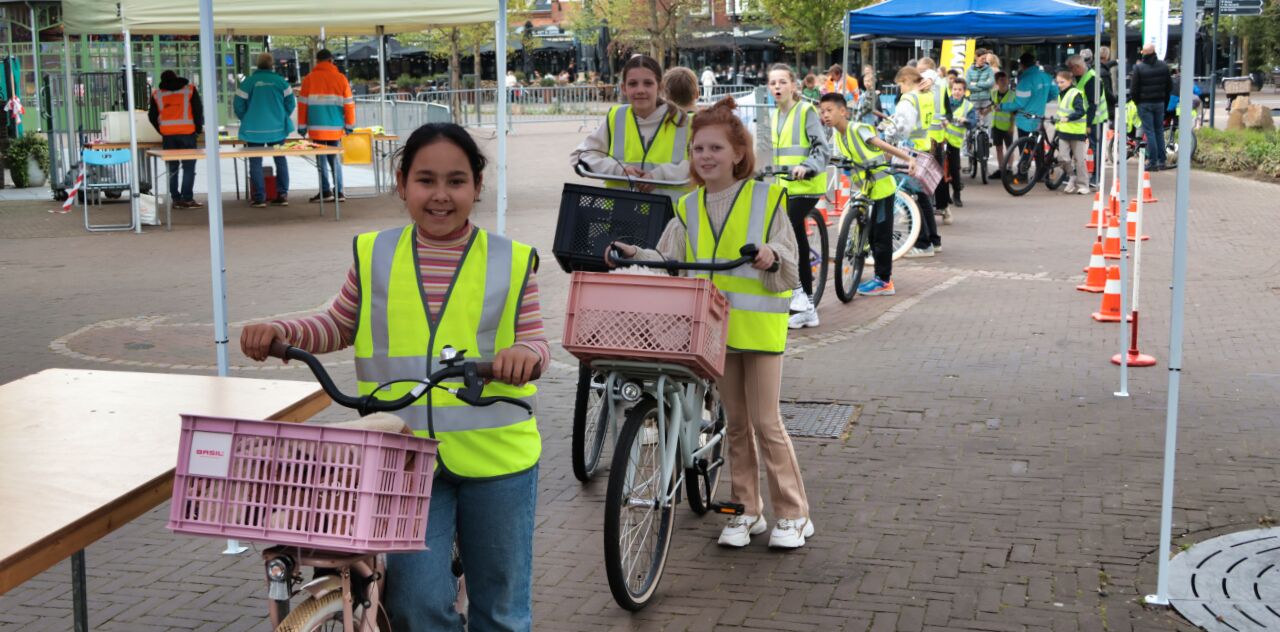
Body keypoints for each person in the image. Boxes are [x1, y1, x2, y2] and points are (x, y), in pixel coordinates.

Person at [240, 123, 545, 632]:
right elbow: (338, 323)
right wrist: (281, 331)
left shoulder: (510, 260)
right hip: (405, 459)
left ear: (477, 186)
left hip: (498, 458)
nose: (441, 195)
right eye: (426, 180)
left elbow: (536, 341)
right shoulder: (376, 253)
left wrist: (524, 355)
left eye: (456, 181)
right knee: (413, 605)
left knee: (500, 610)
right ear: (402, 184)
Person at [611, 96, 814, 549]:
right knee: (736, 425)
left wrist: (771, 256)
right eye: (698, 148)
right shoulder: (687, 207)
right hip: (714, 333)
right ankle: (745, 511)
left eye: (716, 148)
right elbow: (670, 260)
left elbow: (790, 265)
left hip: (758, 332)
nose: (705, 156)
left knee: (766, 423)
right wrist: (637, 254)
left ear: (738, 153)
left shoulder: (767, 197)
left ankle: (794, 514)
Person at [818, 92, 916, 296]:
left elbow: (881, 145)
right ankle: (867, 265)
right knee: (870, 233)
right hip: (866, 189)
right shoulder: (838, 135)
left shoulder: (857, 128)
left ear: (843, 111)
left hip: (882, 189)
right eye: (822, 111)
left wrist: (909, 159)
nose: (825, 115)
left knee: (881, 235)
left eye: (829, 110)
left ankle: (884, 281)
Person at [569, 54, 691, 202]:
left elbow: (703, 164)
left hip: (671, 214)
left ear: (660, 87)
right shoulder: (616, 118)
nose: (640, 90)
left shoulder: (684, 122)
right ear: (623, 88)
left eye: (648, 83)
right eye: (633, 84)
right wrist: (618, 170)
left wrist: (660, 175)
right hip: (621, 213)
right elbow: (580, 156)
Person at [766, 63, 830, 329]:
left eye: (782, 82)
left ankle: (804, 299)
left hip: (806, 186)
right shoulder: (772, 116)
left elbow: (821, 149)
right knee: (781, 232)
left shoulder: (805, 111)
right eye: (773, 83)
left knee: (790, 230)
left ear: (794, 85)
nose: (777, 87)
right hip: (782, 188)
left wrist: (807, 166)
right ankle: (798, 298)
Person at [890, 66, 940, 258]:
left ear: (905, 81)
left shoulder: (908, 99)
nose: (899, 89)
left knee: (910, 198)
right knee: (921, 196)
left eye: (900, 85)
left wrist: (889, 133)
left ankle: (922, 243)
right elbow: (933, 75)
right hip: (923, 147)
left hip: (909, 151)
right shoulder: (926, 95)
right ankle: (934, 240)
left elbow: (903, 128)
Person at [235, 52, 295, 208]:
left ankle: (260, 198)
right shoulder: (281, 82)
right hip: (278, 129)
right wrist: (282, 115)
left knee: (255, 162)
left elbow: (238, 104)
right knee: (280, 159)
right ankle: (282, 195)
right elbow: (291, 103)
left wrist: (246, 118)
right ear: (272, 65)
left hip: (254, 131)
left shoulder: (248, 82)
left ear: (258, 65)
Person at [298, 49, 355, 203]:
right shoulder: (341, 79)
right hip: (335, 129)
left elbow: (302, 105)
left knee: (321, 160)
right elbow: (349, 105)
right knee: (334, 159)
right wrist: (349, 126)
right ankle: (339, 191)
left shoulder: (309, 79)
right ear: (331, 61)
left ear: (317, 61)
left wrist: (302, 127)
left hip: (316, 129)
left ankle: (325, 191)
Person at [148, 70, 204, 208]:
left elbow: (152, 116)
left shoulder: (157, 94)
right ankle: (187, 199)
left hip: (168, 136)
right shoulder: (190, 90)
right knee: (189, 167)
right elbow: (198, 110)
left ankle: (176, 199)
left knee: (172, 168)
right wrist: (198, 129)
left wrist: (161, 130)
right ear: (176, 77)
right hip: (187, 133)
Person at [915, 57, 952, 222]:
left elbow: (948, 111)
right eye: (918, 70)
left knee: (937, 175)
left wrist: (946, 120)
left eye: (923, 71)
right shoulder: (914, 85)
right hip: (918, 139)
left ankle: (944, 207)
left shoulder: (940, 85)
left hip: (935, 138)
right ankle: (914, 209)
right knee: (916, 176)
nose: (920, 74)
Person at [1067, 54, 1107, 188]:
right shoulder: (1082, 77)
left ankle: (1097, 177)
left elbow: (1092, 104)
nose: (1070, 72)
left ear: (1077, 67)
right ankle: (1076, 174)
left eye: (1071, 69)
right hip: (1085, 119)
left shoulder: (1091, 79)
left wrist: (1088, 124)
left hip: (1095, 120)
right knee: (1079, 146)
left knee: (1096, 148)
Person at [1131, 44, 1173, 171]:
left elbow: (1134, 89)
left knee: (1149, 132)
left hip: (1144, 104)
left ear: (1144, 53)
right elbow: (1169, 87)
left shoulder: (1138, 68)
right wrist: (1164, 101)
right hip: (1159, 103)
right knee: (1159, 131)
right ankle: (1162, 160)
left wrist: (1138, 102)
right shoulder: (1164, 66)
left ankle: (1153, 162)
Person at [1001, 52, 1056, 148]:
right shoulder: (1046, 76)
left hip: (1024, 120)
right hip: (1039, 118)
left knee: (1025, 150)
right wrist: (1042, 100)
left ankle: (1026, 157)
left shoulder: (1025, 80)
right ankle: (1039, 157)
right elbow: (1054, 92)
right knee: (1038, 148)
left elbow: (1019, 104)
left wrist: (1002, 106)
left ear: (1022, 65)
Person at [1053, 70, 1090, 195]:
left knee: (1079, 160)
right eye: (1058, 82)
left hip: (1076, 132)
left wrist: (1068, 118)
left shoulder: (1075, 93)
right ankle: (1072, 176)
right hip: (1064, 131)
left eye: (1062, 82)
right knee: (1062, 157)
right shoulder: (1061, 94)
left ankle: (1083, 185)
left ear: (1069, 81)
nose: (1059, 85)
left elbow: (1081, 111)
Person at [943, 78, 974, 207]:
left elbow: (973, 122)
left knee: (954, 169)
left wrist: (966, 120)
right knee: (941, 169)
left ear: (964, 91)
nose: (957, 92)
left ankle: (957, 194)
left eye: (960, 89)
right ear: (951, 90)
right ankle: (944, 196)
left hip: (954, 143)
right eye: (955, 89)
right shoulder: (944, 103)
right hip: (941, 141)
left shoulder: (968, 106)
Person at [990, 71, 1015, 178]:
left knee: (1009, 148)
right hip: (995, 125)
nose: (1004, 81)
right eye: (1001, 80)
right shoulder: (993, 93)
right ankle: (1001, 169)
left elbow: (1014, 112)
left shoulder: (1012, 95)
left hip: (1007, 126)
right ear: (997, 82)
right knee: (998, 148)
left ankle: (1009, 169)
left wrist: (1011, 126)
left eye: (1005, 79)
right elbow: (991, 106)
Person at [966, 49, 995, 130]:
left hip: (986, 101)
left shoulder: (989, 70)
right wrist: (984, 85)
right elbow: (967, 85)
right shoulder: (969, 70)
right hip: (974, 101)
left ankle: (985, 137)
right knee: (974, 125)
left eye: (985, 58)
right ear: (976, 57)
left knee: (986, 126)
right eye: (982, 58)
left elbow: (991, 83)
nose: (984, 61)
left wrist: (977, 84)